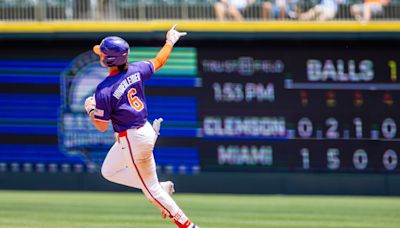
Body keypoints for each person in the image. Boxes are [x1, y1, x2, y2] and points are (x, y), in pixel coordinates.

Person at [84, 25, 199, 228]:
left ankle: (188, 225)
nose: (99, 55)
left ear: (108, 59)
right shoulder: (137, 69)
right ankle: (162, 187)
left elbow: (101, 126)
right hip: (142, 130)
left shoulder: (104, 89)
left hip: (131, 139)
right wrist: (170, 41)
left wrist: (90, 109)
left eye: (102, 53)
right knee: (109, 171)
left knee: (151, 190)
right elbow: (160, 60)